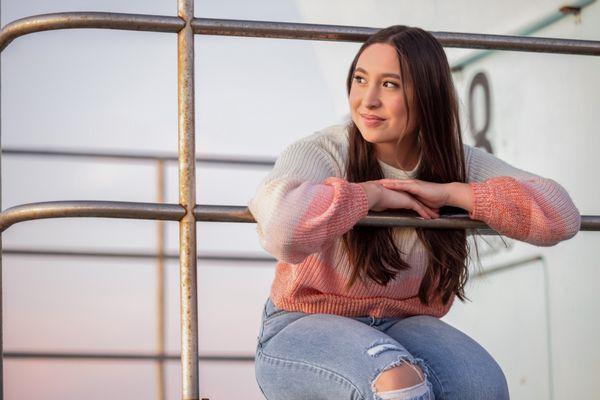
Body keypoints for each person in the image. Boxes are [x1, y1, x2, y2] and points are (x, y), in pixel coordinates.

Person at [247, 25, 580, 400]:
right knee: (395, 381)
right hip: (302, 323)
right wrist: (367, 196)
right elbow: (281, 231)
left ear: (426, 95)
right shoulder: (324, 151)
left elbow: (562, 216)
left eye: (389, 85)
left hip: (403, 324)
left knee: (483, 386)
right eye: (360, 79)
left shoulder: (454, 162)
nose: (367, 100)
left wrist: (458, 193)